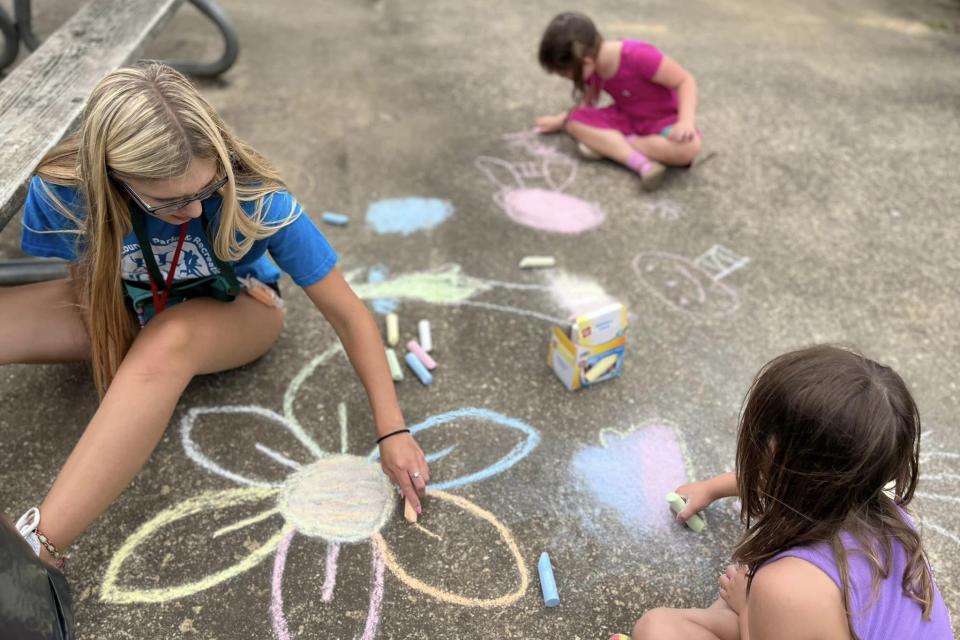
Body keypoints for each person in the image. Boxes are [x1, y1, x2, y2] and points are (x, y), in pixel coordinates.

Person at [3, 61, 429, 569]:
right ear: (110, 177)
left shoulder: (255, 197)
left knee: (169, 339)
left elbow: (348, 315)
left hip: (239, 306)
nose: (193, 212)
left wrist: (392, 430)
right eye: (167, 202)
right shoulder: (64, 193)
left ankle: (36, 554)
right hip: (129, 300)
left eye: (204, 191)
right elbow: (86, 277)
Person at [630, 345, 954, 640]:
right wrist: (712, 488)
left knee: (658, 629)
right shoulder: (878, 506)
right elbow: (783, 484)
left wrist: (747, 608)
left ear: (774, 454)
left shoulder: (787, 588)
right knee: (669, 622)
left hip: (795, 611)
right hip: (817, 621)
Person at [536, 11, 701, 191]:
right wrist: (561, 120)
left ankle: (611, 146)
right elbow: (587, 103)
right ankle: (641, 163)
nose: (566, 78)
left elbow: (685, 81)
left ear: (586, 62)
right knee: (573, 122)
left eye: (564, 73)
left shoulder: (638, 55)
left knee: (689, 148)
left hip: (662, 120)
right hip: (626, 117)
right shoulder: (591, 70)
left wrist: (686, 121)